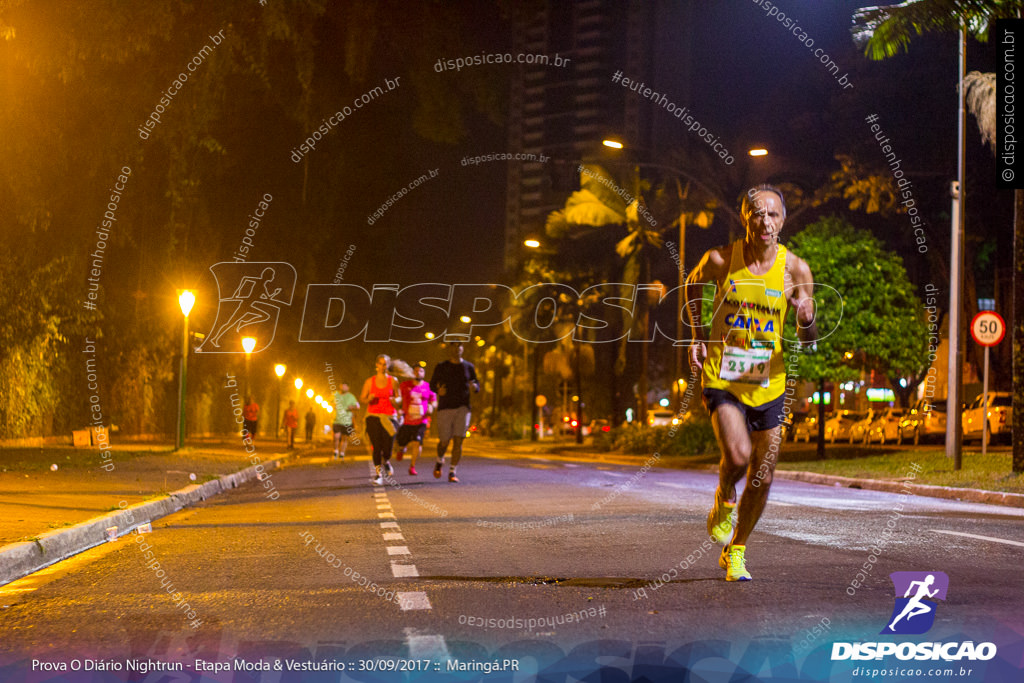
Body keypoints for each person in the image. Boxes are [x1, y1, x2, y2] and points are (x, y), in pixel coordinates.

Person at [685, 184, 817, 581]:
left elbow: (809, 339)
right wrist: (697, 334)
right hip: (724, 374)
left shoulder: (795, 269)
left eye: (773, 214)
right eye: (757, 213)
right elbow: (692, 288)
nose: (765, 221)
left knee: (765, 473)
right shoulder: (721, 259)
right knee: (739, 457)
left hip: (768, 381)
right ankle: (725, 495)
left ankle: (736, 549)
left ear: (782, 221)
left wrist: (806, 317)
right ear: (745, 217)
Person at [429, 342, 479, 483]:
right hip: (445, 407)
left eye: (459, 346)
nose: (457, 348)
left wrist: (474, 387)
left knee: (458, 440)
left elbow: (477, 385)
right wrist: (438, 390)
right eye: (454, 346)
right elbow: (432, 384)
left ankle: (452, 471)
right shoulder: (441, 366)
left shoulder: (469, 367)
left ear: (463, 349)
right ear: (449, 349)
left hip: (463, 407)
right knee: (444, 441)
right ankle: (439, 461)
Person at [360, 355, 400, 485]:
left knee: (388, 446)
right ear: (376, 365)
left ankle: (386, 460)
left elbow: (399, 398)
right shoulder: (369, 381)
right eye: (380, 364)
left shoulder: (393, 380)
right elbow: (362, 399)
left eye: (385, 364)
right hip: (373, 416)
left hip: (389, 417)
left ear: (388, 366)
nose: (383, 367)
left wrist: (396, 400)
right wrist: (369, 399)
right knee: (376, 446)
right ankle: (378, 474)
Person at [395, 362, 437, 476]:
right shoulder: (404, 385)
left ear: (424, 373)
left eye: (421, 371)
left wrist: (431, 406)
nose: (418, 373)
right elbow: (397, 398)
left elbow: (434, 401)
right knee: (401, 442)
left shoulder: (429, 387)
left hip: (421, 420)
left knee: (417, 442)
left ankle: (412, 466)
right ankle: (401, 449)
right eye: (416, 371)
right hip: (406, 420)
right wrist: (398, 408)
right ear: (412, 373)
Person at [331, 382, 360, 459]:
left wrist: (353, 407)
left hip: (347, 421)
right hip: (336, 420)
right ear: (340, 386)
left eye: (345, 386)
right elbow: (330, 402)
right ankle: (336, 450)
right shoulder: (335, 394)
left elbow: (358, 406)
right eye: (342, 386)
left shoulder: (351, 397)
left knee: (345, 438)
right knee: (336, 437)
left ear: (348, 387)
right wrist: (333, 405)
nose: (343, 387)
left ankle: (342, 453)